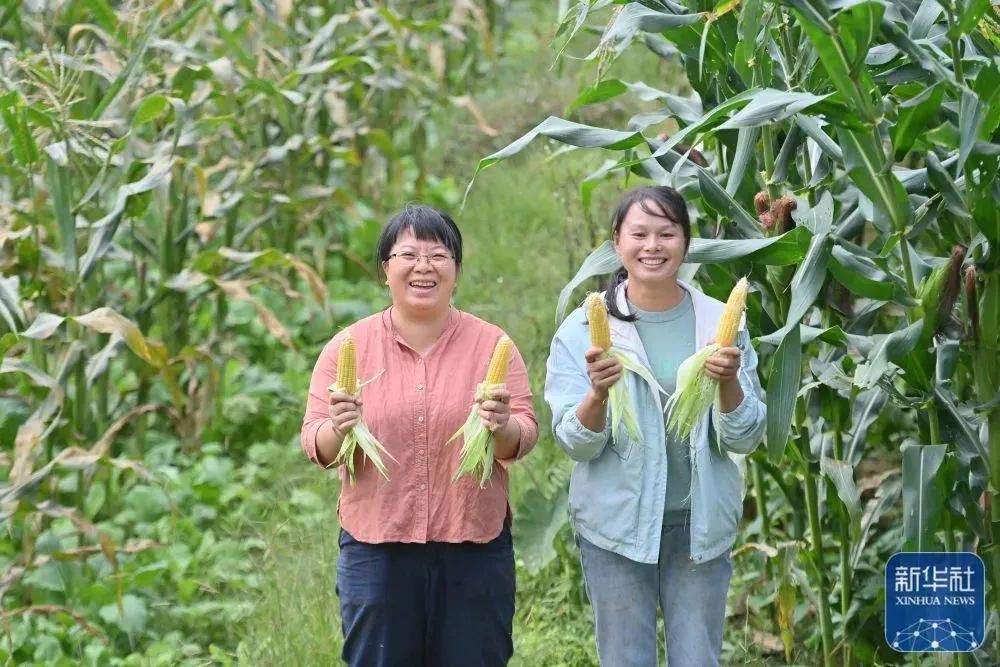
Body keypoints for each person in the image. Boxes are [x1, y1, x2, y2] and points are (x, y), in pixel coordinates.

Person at [301, 205, 538, 666]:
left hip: (473, 544)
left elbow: (523, 436)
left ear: (457, 270)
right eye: (408, 254)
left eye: (439, 254)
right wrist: (339, 426)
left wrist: (502, 425)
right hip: (377, 548)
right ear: (385, 270)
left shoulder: (493, 345)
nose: (423, 266)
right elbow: (316, 445)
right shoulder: (348, 346)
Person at [544, 185, 766, 666]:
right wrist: (597, 394)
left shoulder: (720, 321)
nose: (653, 246)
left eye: (667, 233)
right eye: (639, 233)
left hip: (698, 528)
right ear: (616, 242)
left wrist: (729, 385)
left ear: (686, 243)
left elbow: (745, 435)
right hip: (616, 528)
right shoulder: (581, 329)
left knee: (697, 659)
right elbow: (574, 443)